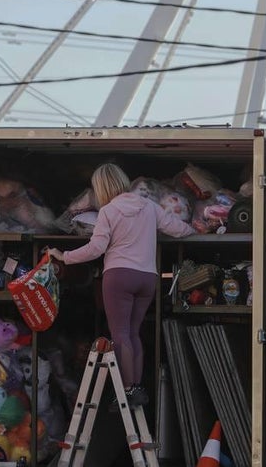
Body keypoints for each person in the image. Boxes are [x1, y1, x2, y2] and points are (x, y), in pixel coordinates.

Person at [48, 163, 193, 407]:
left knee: (120, 335)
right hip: (147, 278)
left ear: (101, 188)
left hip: (119, 277)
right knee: (134, 334)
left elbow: (96, 248)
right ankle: (136, 387)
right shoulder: (149, 206)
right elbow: (178, 229)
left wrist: (65, 257)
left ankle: (128, 389)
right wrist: (201, 230)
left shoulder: (108, 211)